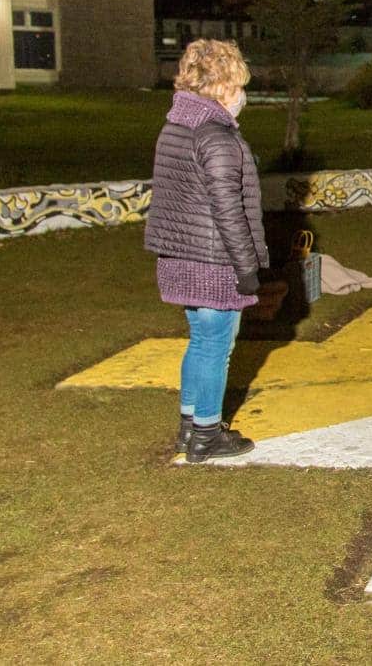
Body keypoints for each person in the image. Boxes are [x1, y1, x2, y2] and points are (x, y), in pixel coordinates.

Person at [144, 39, 267, 463]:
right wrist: (247, 267)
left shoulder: (177, 124)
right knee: (217, 345)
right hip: (214, 258)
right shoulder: (216, 135)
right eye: (238, 83)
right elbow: (228, 208)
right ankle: (207, 435)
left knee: (199, 341)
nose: (242, 93)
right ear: (225, 84)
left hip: (180, 254)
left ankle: (189, 425)